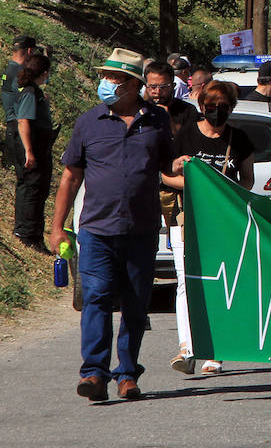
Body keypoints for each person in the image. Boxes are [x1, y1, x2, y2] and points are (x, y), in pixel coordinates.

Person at [48, 49, 171, 402]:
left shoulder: (157, 121)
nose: (108, 83)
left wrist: (188, 166)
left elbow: (168, 168)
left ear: (135, 85)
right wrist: (58, 227)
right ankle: (94, 373)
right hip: (96, 230)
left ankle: (128, 374)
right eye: (107, 77)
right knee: (97, 299)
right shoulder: (88, 122)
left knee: (135, 305)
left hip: (142, 230)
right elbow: (70, 177)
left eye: (116, 78)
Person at [161, 80, 255, 376]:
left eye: (223, 108)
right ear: (202, 107)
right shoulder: (185, 135)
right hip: (185, 217)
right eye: (211, 107)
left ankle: (215, 351)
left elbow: (248, 180)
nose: (217, 113)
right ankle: (187, 348)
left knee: (218, 282)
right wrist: (196, 186)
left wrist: (224, 191)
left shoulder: (238, 139)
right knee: (185, 282)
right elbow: (165, 176)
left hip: (222, 220)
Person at [11, 52, 54, 251]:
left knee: (37, 189)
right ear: (44, 73)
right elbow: (23, 121)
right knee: (31, 189)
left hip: (39, 146)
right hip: (32, 147)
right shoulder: (29, 91)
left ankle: (34, 233)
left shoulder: (33, 91)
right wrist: (29, 150)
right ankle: (26, 233)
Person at [2, 34, 37, 169]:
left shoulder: (8, 70)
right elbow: (24, 103)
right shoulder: (19, 74)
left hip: (12, 126)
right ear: (29, 51)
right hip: (19, 131)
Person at [143, 61, 199, 137]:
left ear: (173, 86)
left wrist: (168, 120)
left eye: (163, 87)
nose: (158, 92)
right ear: (146, 87)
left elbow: (190, 140)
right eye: (153, 87)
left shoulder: (188, 110)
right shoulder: (139, 110)